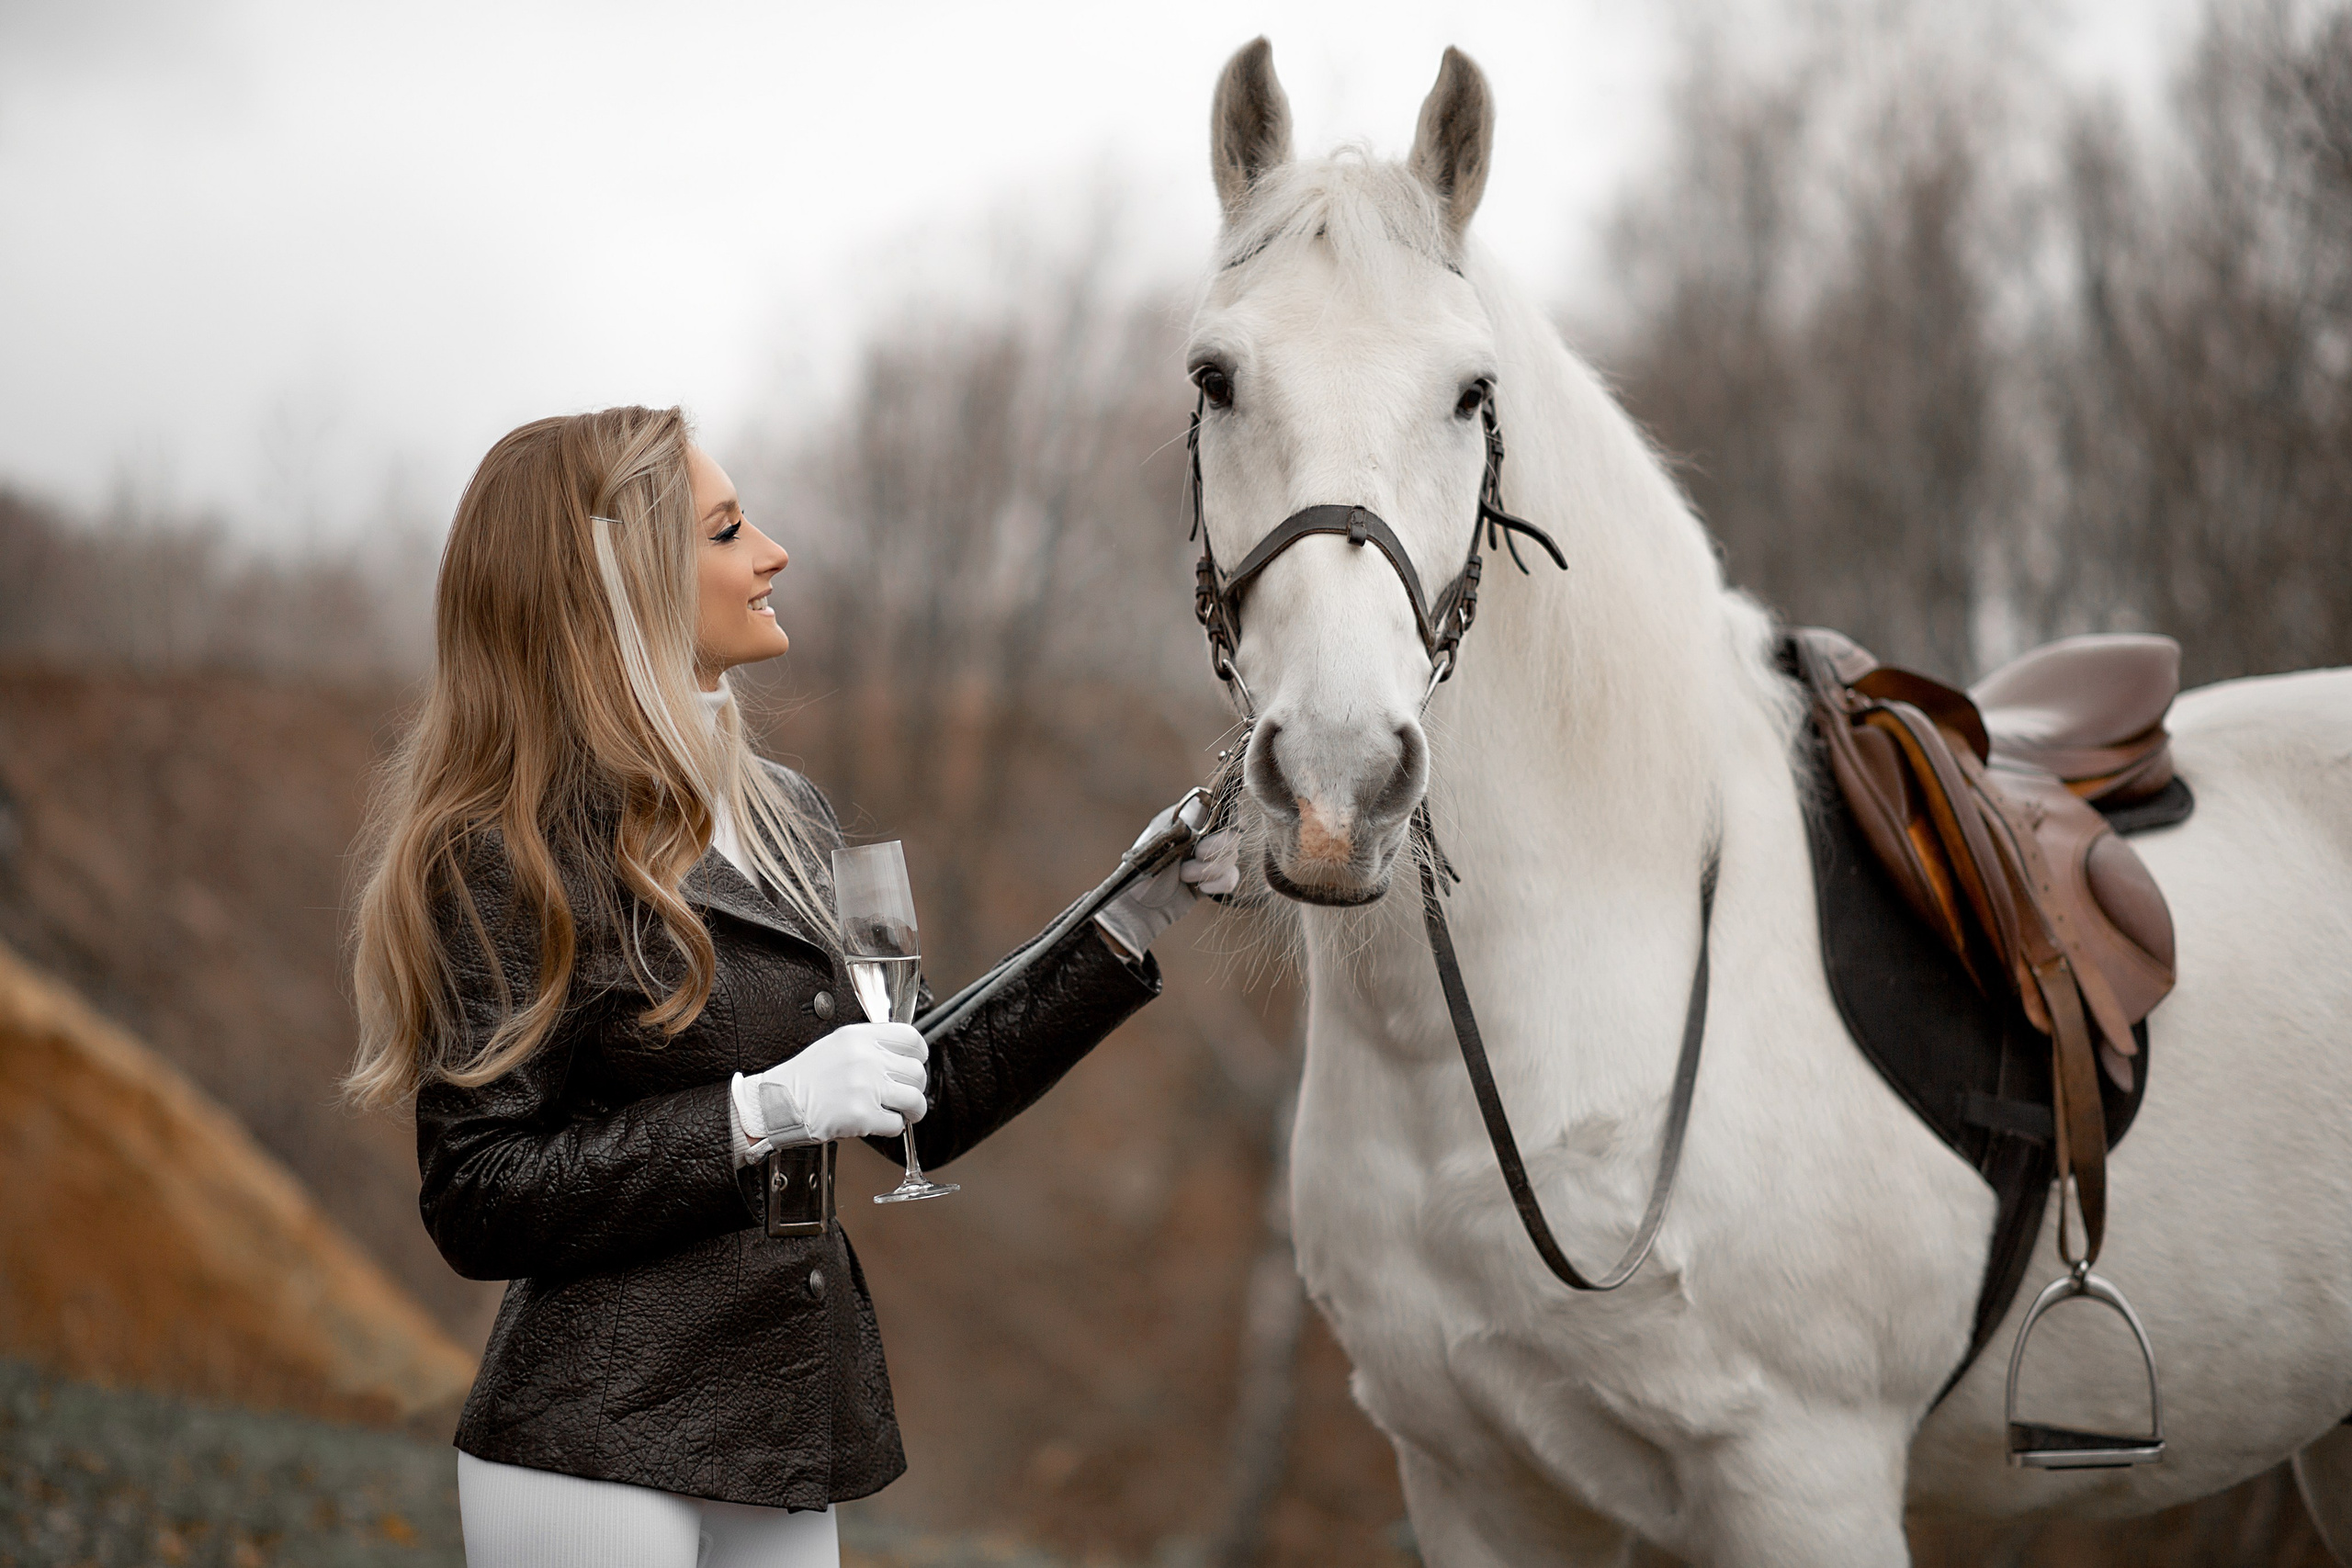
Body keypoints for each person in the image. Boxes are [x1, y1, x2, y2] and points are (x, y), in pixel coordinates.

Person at [345, 406, 1236, 1568]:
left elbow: (932, 1090)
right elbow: (475, 1194)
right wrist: (761, 1113)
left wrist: (1132, 907)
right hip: (596, 1439)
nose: (773, 552)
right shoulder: (508, 849)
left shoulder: (789, 814)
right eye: (726, 532)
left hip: (784, 1433)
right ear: (624, 587)